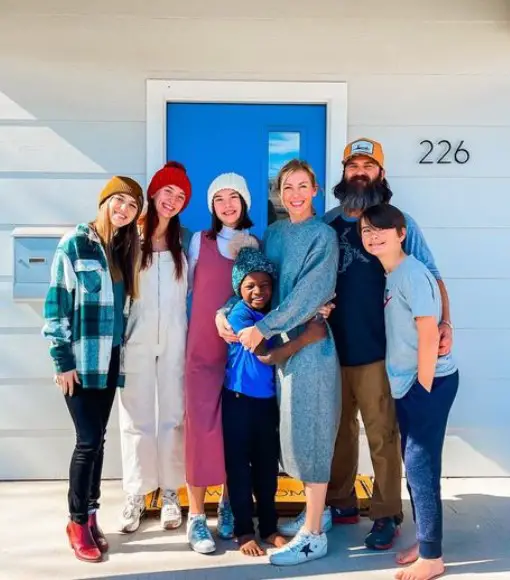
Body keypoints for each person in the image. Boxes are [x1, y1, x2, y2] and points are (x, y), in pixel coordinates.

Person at [322, 138, 454, 550]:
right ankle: (340, 502)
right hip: (331, 348)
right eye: (353, 165)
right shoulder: (328, 223)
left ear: (381, 173)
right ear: (344, 173)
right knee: (339, 432)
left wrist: (445, 322)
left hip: (382, 351)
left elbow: (432, 276)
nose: (360, 172)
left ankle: (385, 513)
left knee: (382, 434)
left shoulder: (401, 223)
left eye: (369, 165)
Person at [235, 159, 340, 566]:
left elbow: (310, 293)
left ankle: (314, 536)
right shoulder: (274, 234)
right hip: (281, 349)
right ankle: (320, 514)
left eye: (302, 186)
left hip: (312, 347)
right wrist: (227, 314)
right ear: (279, 194)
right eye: (287, 187)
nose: (294, 194)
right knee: (293, 434)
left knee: (312, 431)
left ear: (315, 190)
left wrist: (264, 329)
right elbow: (257, 285)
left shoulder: (324, 235)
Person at [42, 176, 143, 562]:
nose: (124, 210)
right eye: (119, 201)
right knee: (86, 442)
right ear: (104, 202)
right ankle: (76, 520)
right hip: (81, 363)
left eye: (132, 206)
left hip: (111, 358)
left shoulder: (122, 248)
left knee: (98, 439)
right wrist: (62, 361)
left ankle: (93, 514)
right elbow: (56, 305)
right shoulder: (74, 244)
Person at [359, 203, 458, 580]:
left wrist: (423, 386)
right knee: (420, 465)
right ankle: (426, 540)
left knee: (419, 465)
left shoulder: (412, 274)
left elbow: (429, 332)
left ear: (402, 233)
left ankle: (432, 558)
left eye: (381, 229)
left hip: (426, 384)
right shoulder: (393, 273)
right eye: (366, 231)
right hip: (411, 384)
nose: (372, 236)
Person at [223, 238, 329, 557]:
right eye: (251, 285)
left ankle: (268, 527)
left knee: (268, 469)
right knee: (239, 468)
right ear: (239, 288)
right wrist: (308, 337)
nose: (259, 292)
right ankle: (244, 531)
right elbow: (266, 353)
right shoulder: (238, 314)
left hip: (267, 404)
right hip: (238, 402)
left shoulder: (274, 313)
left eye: (266, 285)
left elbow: (288, 318)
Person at [118, 162, 193, 533]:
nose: (173, 201)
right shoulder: (130, 237)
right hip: (138, 338)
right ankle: (134, 494)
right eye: (168, 192)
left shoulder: (186, 242)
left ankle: (169, 493)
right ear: (153, 192)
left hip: (177, 337)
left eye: (180, 196)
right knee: (136, 418)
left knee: (173, 416)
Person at [184, 172, 254, 554]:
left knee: (234, 430)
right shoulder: (200, 241)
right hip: (202, 348)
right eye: (219, 199)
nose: (227, 205)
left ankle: (228, 505)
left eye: (234, 198)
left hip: (241, 352)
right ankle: (196, 515)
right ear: (211, 206)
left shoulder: (255, 244)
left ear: (245, 202)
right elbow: (190, 291)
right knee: (200, 429)